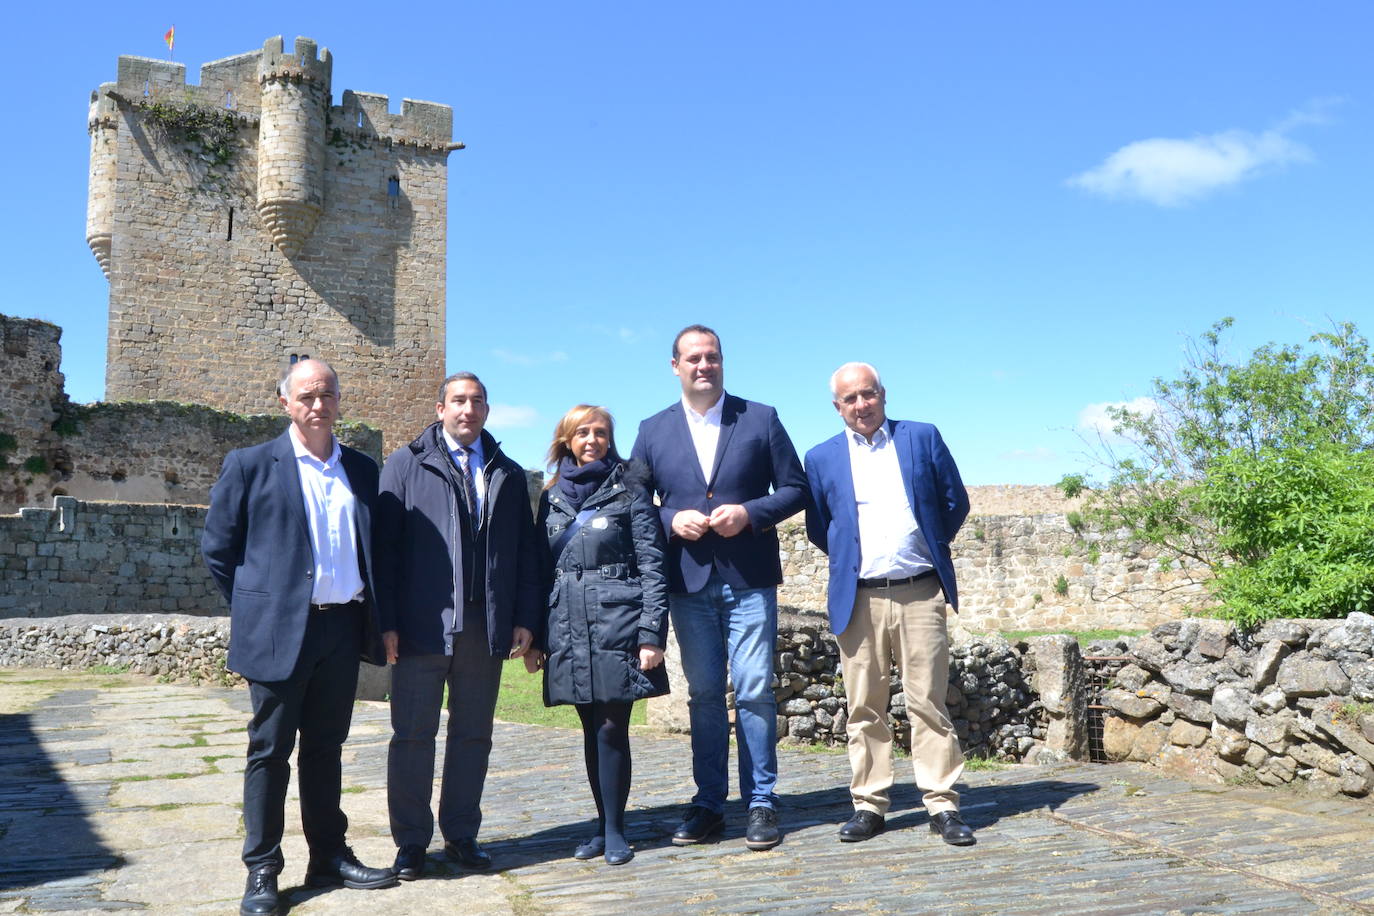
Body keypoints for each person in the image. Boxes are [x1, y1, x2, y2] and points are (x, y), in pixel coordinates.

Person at [202, 359, 397, 916]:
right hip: (279, 631)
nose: (319, 404)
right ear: (285, 402)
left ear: (339, 401)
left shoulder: (361, 469)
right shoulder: (250, 464)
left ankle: (329, 855)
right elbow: (219, 550)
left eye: (328, 394)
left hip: (341, 627)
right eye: (307, 396)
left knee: (326, 748)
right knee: (269, 751)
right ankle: (262, 869)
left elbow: (374, 549)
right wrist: (261, 608)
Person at [629, 324, 807, 851]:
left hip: (748, 578)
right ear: (675, 366)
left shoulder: (761, 418)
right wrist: (670, 519)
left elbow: (796, 488)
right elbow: (636, 502)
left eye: (712, 357)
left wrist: (750, 512)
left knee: (753, 689)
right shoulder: (652, 429)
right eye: (693, 358)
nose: (703, 366)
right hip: (688, 580)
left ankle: (761, 802)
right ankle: (709, 802)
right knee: (705, 695)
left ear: (722, 362)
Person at [373, 371, 542, 880]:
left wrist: (524, 619)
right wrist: (387, 621)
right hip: (422, 623)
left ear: (487, 411)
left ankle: (462, 834)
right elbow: (384, 550)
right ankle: (411, 842)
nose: (467, 410)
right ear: (440, 408)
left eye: (477, 402)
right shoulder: (406, 464)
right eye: (458, 401)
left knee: (473, 735)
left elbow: (525, 556)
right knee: (412, 736)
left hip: (484, 625)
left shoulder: (508, 474)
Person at [803, 362, 975, 846]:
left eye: (868, 394)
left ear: (883, 394)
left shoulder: (921, 438)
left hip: (920, 589)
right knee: (864, 706)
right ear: (837, 406)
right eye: (850, 399)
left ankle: (942, 804)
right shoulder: (820, 458)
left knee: (928, 702)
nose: (861, 405)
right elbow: (823, 528)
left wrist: (928, 545)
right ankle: (870, 804)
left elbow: (954, 502)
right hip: (858, 597)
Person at [525, 405, 670, 866]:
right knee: (590, 729)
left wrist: (652, 634)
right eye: (582, 432)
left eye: (601, 433)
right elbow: (538, 572)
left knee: (612, 728)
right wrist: (536, 639)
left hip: (618, 625)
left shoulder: (630, 490)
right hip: (567, 625)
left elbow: (652, 564)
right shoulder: (550, 498)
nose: (592, 440)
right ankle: (601, 820)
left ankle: (614, 830)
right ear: (566, 439)